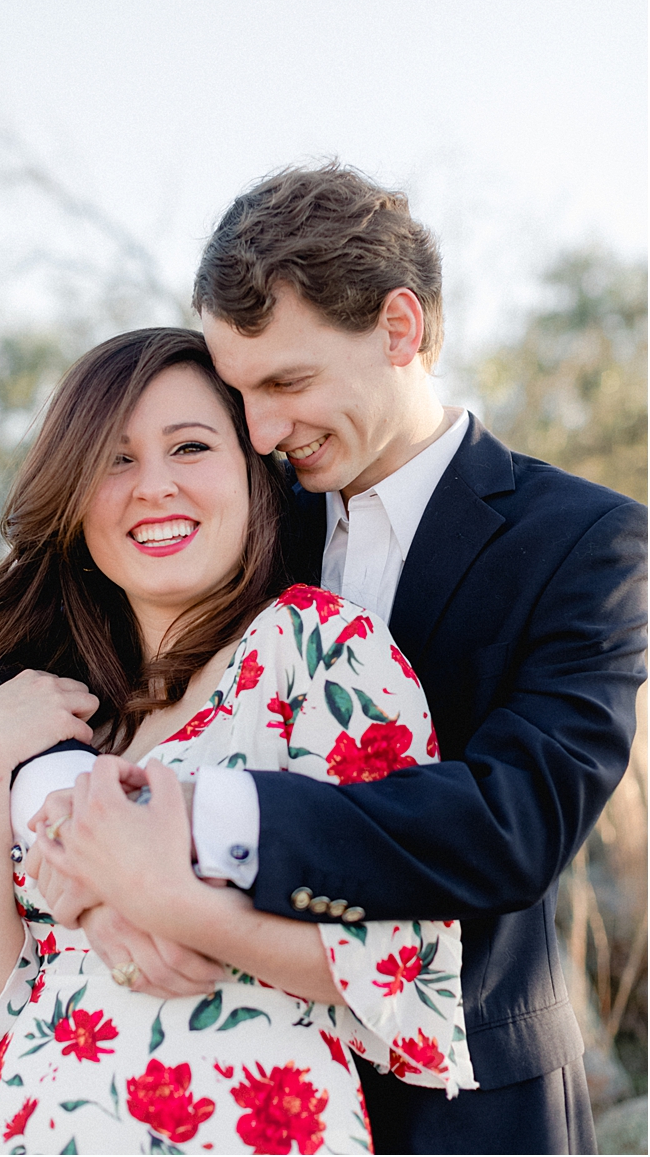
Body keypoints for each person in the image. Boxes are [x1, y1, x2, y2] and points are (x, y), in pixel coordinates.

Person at [37, 166, 646, 1156]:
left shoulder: (587, 542)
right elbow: (38, 639)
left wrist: (194, 824)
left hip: (468, 1102)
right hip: (233, 1094)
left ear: (400, 329)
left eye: (287, 382)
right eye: (241, 395)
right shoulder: (246, 507)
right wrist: (70, 823)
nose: (265, 431)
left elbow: (514, 823)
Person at [0, 327, 477, 1155]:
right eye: (114, 460)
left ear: (251, 473)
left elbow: (401, 960)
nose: (152, 488)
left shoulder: (318, 653)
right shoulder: (34, 714)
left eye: (189, 447)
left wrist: (172, 904)